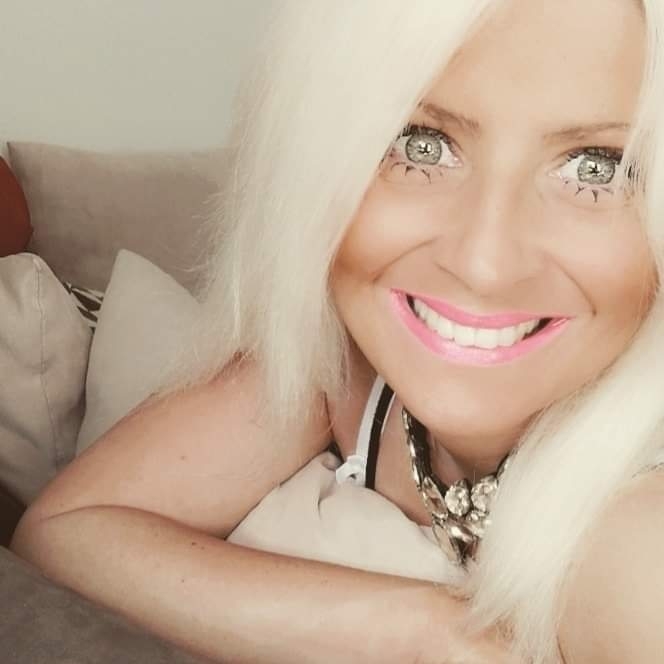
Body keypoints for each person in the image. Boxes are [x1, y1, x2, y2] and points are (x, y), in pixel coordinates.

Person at [11, 0, 664, 662]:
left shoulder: (637, 539)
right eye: (421, 145)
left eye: (598, 168)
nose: (484, 263)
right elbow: (65, 531)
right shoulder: (349, 368)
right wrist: (429, 632)